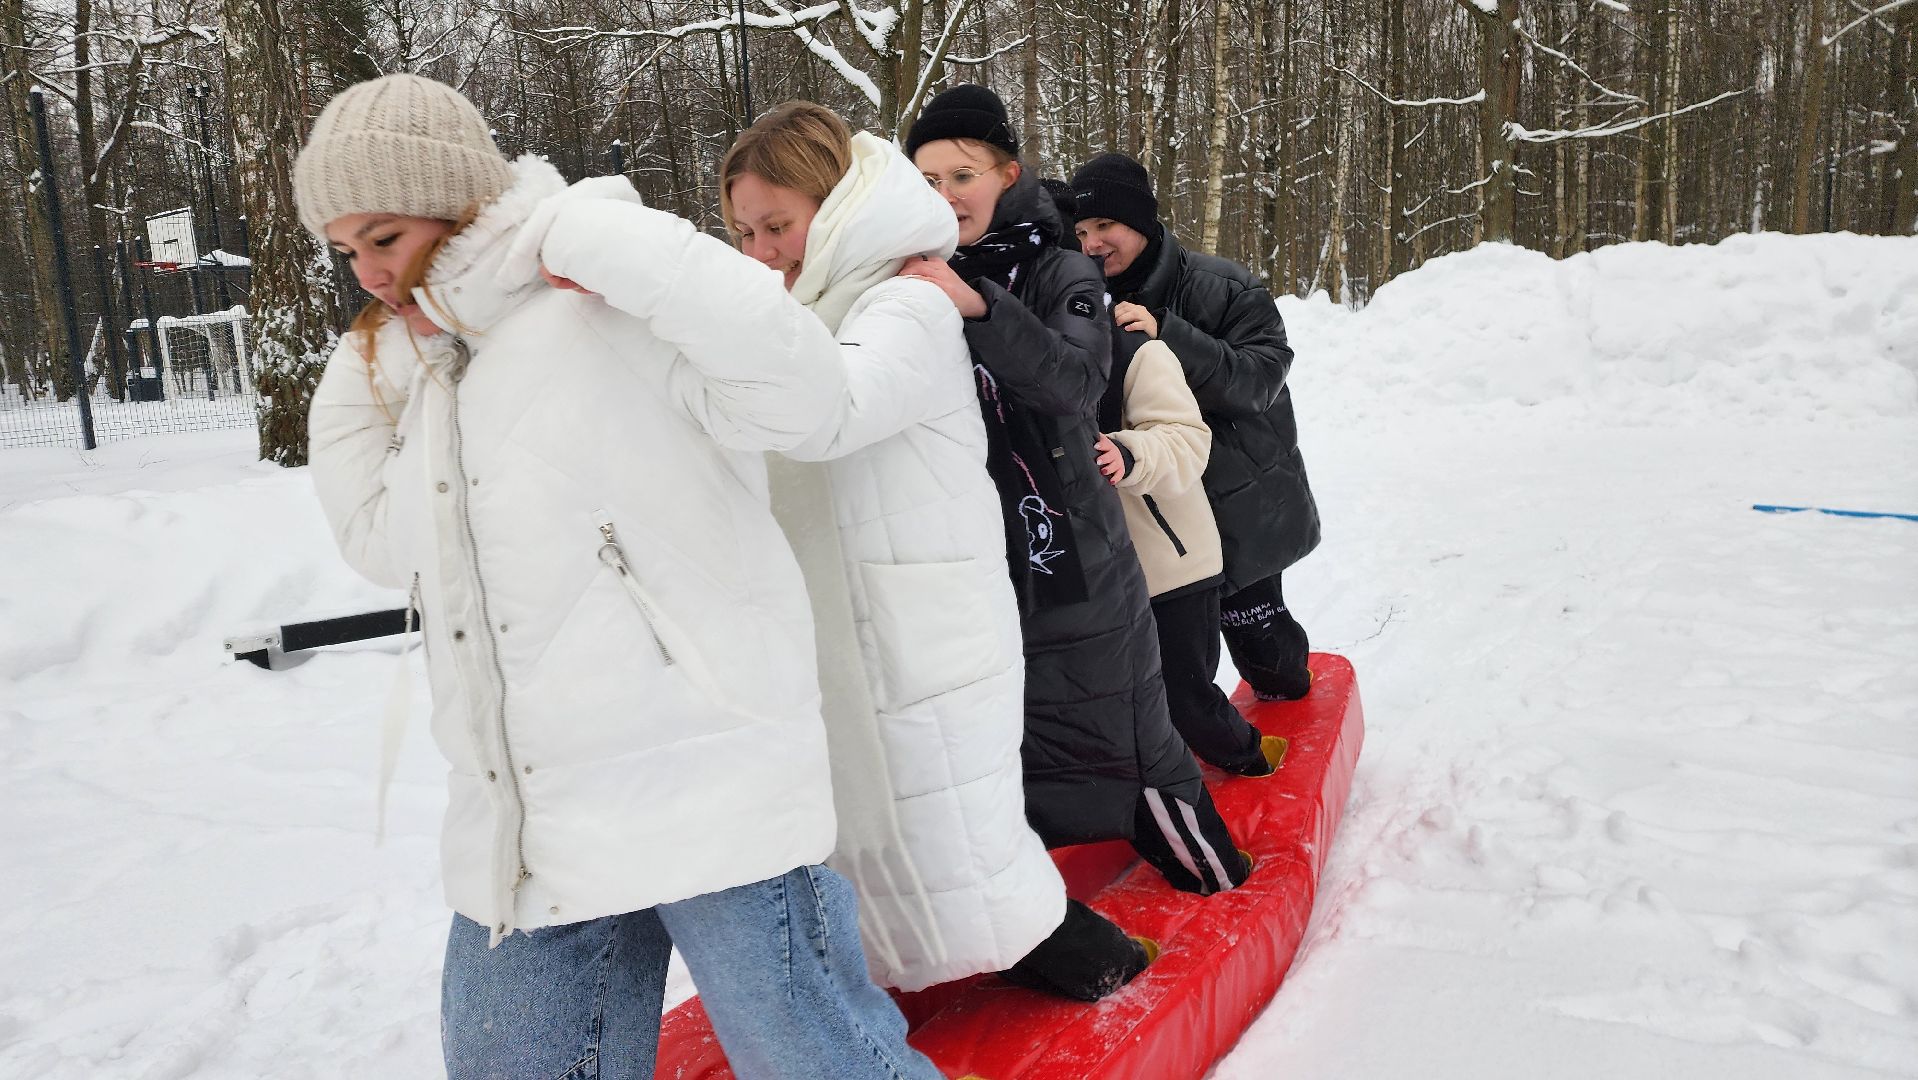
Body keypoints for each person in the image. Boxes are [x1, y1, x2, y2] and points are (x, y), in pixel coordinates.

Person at [297, 74, 939, 1080]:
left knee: (813, 1055)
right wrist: (366, 364)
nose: (369, 274)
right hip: (533, 820)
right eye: (345, 252)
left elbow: (806, 399)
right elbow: (388, 541)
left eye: (384, 237)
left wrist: (611, 242)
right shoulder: (435, 354)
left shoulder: (601, 289)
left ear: (456, 195)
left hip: (706, 777)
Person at [901, 87, 1252, 1001]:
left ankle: (1222, 884)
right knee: (1013, 748)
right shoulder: (907, 276)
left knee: (1133, 738)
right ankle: (1038, 912)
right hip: (982, 568)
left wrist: (977, 307)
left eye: (962, 175)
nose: (944, 194)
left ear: (1007, 174)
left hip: (1080, 563)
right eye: (926, 177)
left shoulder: (1060, 272)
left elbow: (1070, 378)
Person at [717, 101, 1067, 994]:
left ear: (831, 207)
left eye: (778, 226)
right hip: (857, 626)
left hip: (922, 630)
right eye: (744, 232)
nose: (760, 251)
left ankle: (1087, 967)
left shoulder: (905, 296)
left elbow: (831, 411)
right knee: (894, 842)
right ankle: (903, 982)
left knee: (965, 841)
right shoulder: (807, 301)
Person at [1070, 152, 1322, 702]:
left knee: (1265, 651)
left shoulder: (1225, 287)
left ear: (1138, 219)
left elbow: (1260, 380)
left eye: (1105, 225)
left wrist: (1167, 335)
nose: (1092, 243)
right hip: (1158, 512)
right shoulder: (1080, 297)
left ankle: (1291, 705)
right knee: (1177, 668)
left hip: (1238, 503)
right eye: (1083, 230)